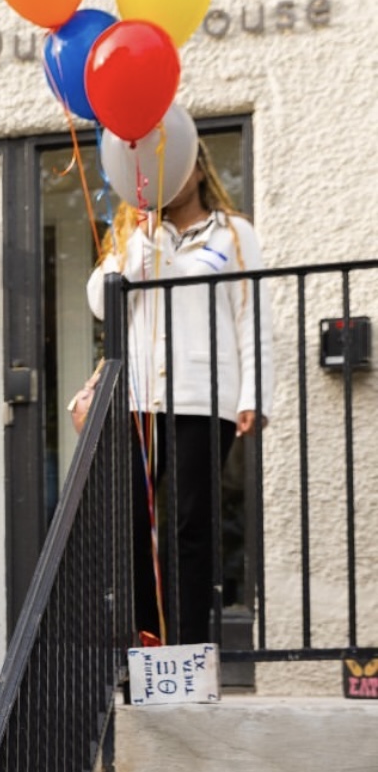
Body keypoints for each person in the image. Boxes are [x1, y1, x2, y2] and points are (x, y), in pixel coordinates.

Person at [87, 141, 273, 645]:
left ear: (198, 167)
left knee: (192, 526)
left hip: (203, 395)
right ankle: (146, 642)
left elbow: (250, 313)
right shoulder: (133, 232)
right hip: (140, 397)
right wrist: (142, 237)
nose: (170, 176)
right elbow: (104, 304)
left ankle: (189, 646)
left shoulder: (235, 233)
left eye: (179, 163)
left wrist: (253, 393)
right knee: (132, 528)